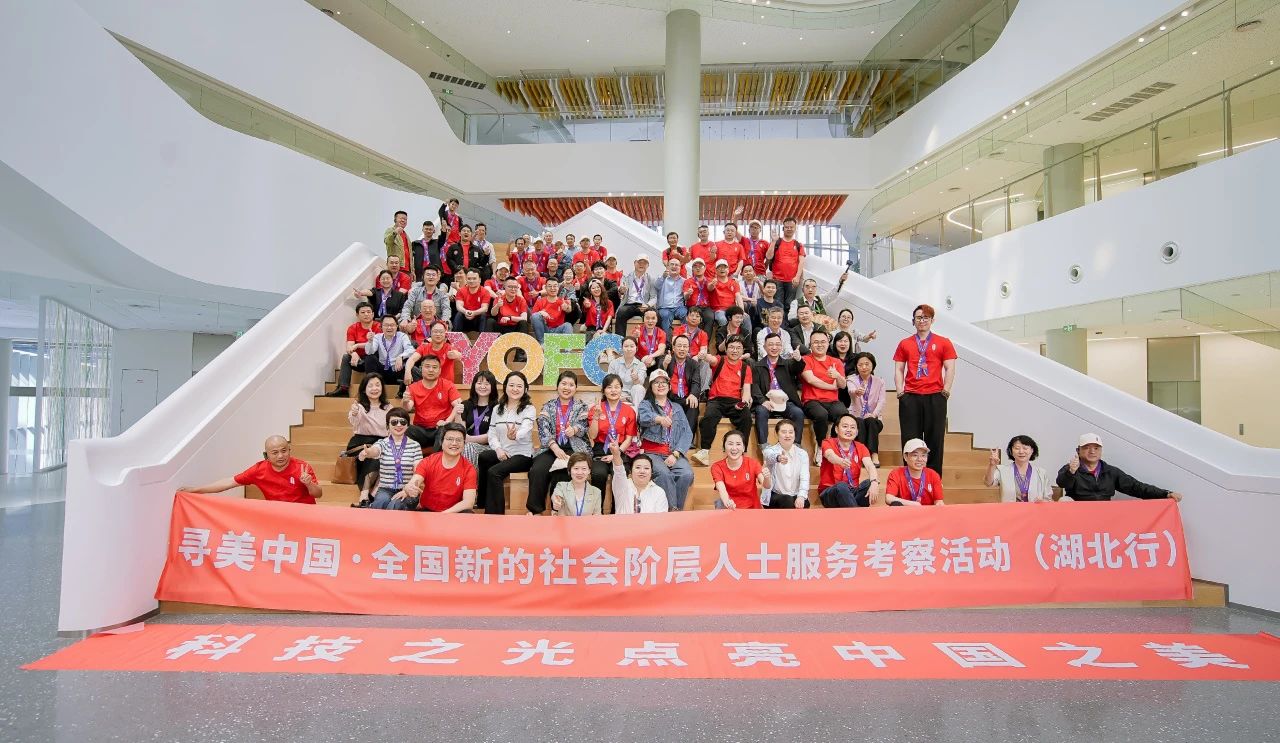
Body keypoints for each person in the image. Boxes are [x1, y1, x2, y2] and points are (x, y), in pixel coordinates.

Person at [894, 304, 957, 474]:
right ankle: (910, 478)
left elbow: (950, 368)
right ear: (913, 321)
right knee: (909, 441)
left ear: (932, 320)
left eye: (926, 317)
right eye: (919, 317)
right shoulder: (905, 343)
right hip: (910, 397)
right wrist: (900, 392)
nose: (922, 320)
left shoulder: (944, 342)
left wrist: (945, 391)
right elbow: (899, 369)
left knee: (935, 439)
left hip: (935, 396)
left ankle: (934, 479)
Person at [183, 436, 321, 504]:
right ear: (266, 455)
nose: (280, 456)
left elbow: (318, 494)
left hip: (304, 515)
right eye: (275, 452)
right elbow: (230, 482)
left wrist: (309, 484)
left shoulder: (302, 467)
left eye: (284, 451)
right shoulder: (259, 470)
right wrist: (196, 490)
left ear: (289, 450)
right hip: (278, 515)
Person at [527, 371, 592, 515]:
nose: (567, 387)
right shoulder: (548, 406)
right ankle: (535, 511)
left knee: (563, 470)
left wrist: (574, 429)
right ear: (557, 386)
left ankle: (558, 510)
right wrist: (554, 447)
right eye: (564, 384)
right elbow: (543, 427)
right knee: (537, 470)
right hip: (551, 447)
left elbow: (584, 424)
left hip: (574, 448)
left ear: (576, 388)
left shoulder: (581, 406)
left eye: (571, 384)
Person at [1056, 433, 1183, 502]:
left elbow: (1136, 487)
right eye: (1087, 448)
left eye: (1096, 448)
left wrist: (1166, 494)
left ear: (1101, 451)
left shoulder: (1110, 471)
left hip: (1105, 515)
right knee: (1064, 500)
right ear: (1078, 451)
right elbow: (1062, 482)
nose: (1092, 451)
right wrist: (1071, 471)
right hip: (1078, 516)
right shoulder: (1071, 468)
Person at [476, 371, 536, 515]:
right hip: (503, 452)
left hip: (522, 455)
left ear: (525, 389)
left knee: (494, 472)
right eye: (511, 385)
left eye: (519, 386)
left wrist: (515, 436)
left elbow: (526, 429)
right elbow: (492, 433)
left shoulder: (529, 409)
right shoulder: (497, 409)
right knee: (484, 457)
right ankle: (482, 503)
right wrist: (498, 450)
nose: (515, 389)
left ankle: (495, 515)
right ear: (505, 387)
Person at [635, 370, 692, 511]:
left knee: (686, 474)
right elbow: (644, 418)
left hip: (673, 452)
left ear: (669, 386)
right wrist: (660, 419)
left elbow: (687, 433)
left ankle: (676, 510)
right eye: (656, 382)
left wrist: (676, 454)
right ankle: (672, 510)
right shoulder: (645, 404)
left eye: (664, 382)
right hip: (652, 453)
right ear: (651, 386)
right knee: (664, 474)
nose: (660, 385)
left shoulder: (677, 408)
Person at [690, 337, 753, 466]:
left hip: (735, 401)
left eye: (738, 348)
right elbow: (711, 359)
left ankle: (742, 452)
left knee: (746, 417)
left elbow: (746, 391)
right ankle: (704, 451)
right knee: (709, 417)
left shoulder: (746, 368)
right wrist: (704, 355)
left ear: (743, 350)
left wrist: (743, 403)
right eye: (732, 347)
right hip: (716, 400)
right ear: (726, 349)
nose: (735, 351)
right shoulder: (720, 360)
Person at [391, 423, 477, 512]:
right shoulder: (429, 461)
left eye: (459, 440)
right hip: (428, 510)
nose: (454, 443)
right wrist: (409, 488)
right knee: (399, 502)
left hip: (453, 512)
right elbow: (415, 480)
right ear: (441, 441)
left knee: (468, 512)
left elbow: (468, 502)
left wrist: (443, 515)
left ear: (464, 443)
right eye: (450, 439)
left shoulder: (469, 469)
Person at [360, 407, 424, 509]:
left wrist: (408, 489)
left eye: (403, 422)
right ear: (387, 426)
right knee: (379, 504)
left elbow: (419, 470)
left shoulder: (415, 445)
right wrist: (368, 452)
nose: (399, 425)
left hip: (407, 489)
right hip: (386, 489)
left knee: (394, 505)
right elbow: (375, 450)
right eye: (394, 422)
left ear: (407, 425)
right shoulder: (382, 443)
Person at [587, 374, 636, 507]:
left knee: (620, 474)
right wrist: (596, 417)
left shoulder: (629, 411)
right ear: (603, 390)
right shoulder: (596, 408)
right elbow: (592, 436)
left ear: (621, 389)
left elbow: (629, 438)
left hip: (621, 450)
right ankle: (597, 511)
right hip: (600, 449)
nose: (613, 390)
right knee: (598, 474)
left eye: (617, 387)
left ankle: (617, 512)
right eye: (609, 387)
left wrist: (616, 454)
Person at [798, 328, 848, 455]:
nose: (819, 345)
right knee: (821, 415)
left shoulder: (836, 362)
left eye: (823, 342)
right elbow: (811, 380)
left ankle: (834, 446)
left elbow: (842, 385)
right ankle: (820, 446)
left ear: (828, 343)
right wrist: (832, 387)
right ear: (810, 344)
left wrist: (837, 376)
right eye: (816, 342)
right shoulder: (805, 360)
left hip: (832, 401)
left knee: (842, 414)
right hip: (811, 400)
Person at [752, 332, 805, 449]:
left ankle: (796, 445)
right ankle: (764, 446)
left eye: (777, 344)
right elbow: (754, 386)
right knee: (760, 412)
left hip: (785, 402)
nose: (774, 347)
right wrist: (763, 401)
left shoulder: (788, 363)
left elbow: (798, 368)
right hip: (767, 401)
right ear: (764, 347)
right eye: (771, 344)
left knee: (798, 413)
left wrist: (798, 359)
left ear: (781, 347)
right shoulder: (757, 366)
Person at [346, 374, 392, 503]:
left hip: (380, 444)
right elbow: (354, 422)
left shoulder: (388, 407)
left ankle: (369, 493)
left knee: (379, 454)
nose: (374, 388)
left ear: (382, 388)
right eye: (370, 386)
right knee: (374, 454)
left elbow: (392, 429)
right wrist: (354, 413)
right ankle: (368, 493)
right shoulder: (359, 407)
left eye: (377, 385)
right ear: (364, 389)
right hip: (360, 443)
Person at [818, 414, 879, 508]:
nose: (849, 430)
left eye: (853, 427)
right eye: (845, 426)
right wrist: (840, 461)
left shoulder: (861, 447)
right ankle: (856, 513)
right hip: (830, 491)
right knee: (841, 486)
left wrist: (874, 482)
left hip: (852, 491)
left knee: (869, 483)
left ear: (857, 432)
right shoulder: (828, 442)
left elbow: (870, 466)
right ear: (836, 429)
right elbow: (830, 456)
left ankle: (851, 508)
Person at [401, 354, 461, 450]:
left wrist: (447, 422)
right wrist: (405, 401)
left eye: (434, 367)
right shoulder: (413, 387)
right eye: (427, 366)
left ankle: (436, 458)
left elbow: (458, 405)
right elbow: (407, 408)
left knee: (445, 431)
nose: (431, 370)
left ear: (440, 370)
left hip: (440, 427)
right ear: (421, 369)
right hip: (420, 429)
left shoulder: (448, 385)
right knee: (405, 429)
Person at [326, 303, 378, 397]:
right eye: (363, 312)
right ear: (357, 315)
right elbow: (349, 347)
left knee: (371, 357)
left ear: (373, 314)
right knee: (346, 357)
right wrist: (353, 353)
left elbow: (377, 345)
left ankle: (369, 388)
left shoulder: (378, 326)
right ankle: (343, 389)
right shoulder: (353, 328)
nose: (366, 314)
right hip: (358, 360)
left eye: (368, 312)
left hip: (375, 361)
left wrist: (357, 346)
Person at [986, 434, 1055, 503]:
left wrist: (1043, 501)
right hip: (1010, 509)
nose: (1021, 451)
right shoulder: (1003, 470)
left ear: (1032, 450)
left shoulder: (1041, 473)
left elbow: (1049, 499)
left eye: (1025, 448)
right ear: (1011, 451)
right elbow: (988, 483)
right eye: (1017, 448)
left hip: (1035, 509)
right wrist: (992, 465)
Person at [711, 430, 770, 510]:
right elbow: (722, 490)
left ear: (743, 448)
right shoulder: (717, 467)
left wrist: (767, 477)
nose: (734, 448)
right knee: (719, 504)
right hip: (730, 507)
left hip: (752, 509)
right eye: (730, 444)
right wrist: (728, 502)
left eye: (738, 444)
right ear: (724, 447)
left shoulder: (753, 463)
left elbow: (766, 485)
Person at [610, 439, 669, 514]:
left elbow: (661, 518)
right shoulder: (623, 486)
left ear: (651, 472)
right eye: (638, 467)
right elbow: (619, 472)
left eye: (646, 468)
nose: (642, 471)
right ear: (631, 471)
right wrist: (616, 455)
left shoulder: (659, 492)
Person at [761, 419, 810, 509]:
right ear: (777, 434)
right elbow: (769, 456)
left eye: (791, 432)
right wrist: (778, 458)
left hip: (795, 495)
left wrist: (801, 496)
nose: (787, 435)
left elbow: (805, 477)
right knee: (787, 500)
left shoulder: (802, 453)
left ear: (795, 434)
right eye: (784, 432)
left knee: (804, 503)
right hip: (776, 496)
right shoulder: (770, 450)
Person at [847, 351, 885, 466]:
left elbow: (881, 401)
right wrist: (856, 391)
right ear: (856, 366)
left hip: (874, 419)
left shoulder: (880, 381)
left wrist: (873, 414)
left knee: (871, 421)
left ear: (873, 365)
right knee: (859, 421)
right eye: (860, 365)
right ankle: (861, 455)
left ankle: (874, 455)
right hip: (856, 417)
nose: (864, 367)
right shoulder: (851, 379)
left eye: (867, 364)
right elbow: (851, 390)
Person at [662, 334, 705, 436]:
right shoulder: (667, 360)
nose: (682, 349)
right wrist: (664, 365)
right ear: (673, 348)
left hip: (686, 397)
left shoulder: (694, 364)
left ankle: (687, 438)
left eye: (685, 346)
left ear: (689, 348)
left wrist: (693, 394)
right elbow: (658, 377)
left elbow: (696, 382)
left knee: (693, 404)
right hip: (670, 398)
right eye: (679, 346)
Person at [764, 216, 806, 321]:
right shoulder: (777, 242)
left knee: (789, 304)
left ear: (795, 228)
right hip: (777, 279)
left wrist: (797, 277)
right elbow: (768, 256)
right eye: (787, 227)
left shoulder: (798, 245)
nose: (789, 229)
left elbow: (801, 262)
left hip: (792, 280)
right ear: (783, 228)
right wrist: (773, 241)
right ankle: (778, 324)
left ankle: (786, 325)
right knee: (778, 303)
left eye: (791, 227)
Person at [363, 315, 414, 395]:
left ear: (397, 326)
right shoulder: (377, 337)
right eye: (386, 325)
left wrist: (401, 356)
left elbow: (411, 350)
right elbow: (369, 352)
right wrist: (370, 341)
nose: (389, 328)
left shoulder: (402, 336)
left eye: (392, 325)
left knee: (410, 365)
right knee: (370, 358)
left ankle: (403, 392)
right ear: (381, 327)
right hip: (382, 370)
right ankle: (371, 386)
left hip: (397, 369)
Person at [884, 438, 945, 506]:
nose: (920, 459)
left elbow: (939, 501)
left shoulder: (933, 475)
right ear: (905, 457)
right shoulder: (896, 474)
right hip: (904, 511)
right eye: (915, 455)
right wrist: (914, 504)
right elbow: (889, 498)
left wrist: (939, 505)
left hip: (927, 512)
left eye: (923, 455)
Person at [404, 320, 462, 384]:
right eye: (435, 331)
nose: (438, 334)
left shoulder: (449, 347)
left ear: (445, 334)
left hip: (445, 384)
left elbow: (459, 355)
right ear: (430, 333)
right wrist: (407, 372)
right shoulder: (424, 347)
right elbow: (412, 359)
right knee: (410, 369)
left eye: (441, 332)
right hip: (428, 382)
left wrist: (456, 355)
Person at [460, 371, 496, 471]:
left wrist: (469, 439)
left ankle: (471, 479)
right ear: (474, 385)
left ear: (492, 386)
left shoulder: (497, 407)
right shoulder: (465, 404)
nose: (482, 386)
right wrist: (458, 414)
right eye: (479, 383)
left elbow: (491, 436)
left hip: (488, 447)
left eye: (487, 384)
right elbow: (461, 431)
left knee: (469, 447)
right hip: (466, 444)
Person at [398, 265, 451, 332]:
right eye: (428, 275)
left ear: (438, 278)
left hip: (436, 325)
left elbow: (446, 309)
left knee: (447, 324)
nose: (431, 277)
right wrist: (405, 319)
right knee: (403, 323)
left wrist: (444, 322)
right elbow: (407, 306)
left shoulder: (443, 295)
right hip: (416, 324)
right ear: (423, 277)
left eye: (433, 275)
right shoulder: (415, 292)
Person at [551, 452, 603, 517]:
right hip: (566, 523)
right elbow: (556, 498)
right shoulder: (561, 486)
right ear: (569, 470)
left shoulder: (596, 492)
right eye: (576, 468)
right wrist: (556, 503)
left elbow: (597, 516)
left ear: (589, 471)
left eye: (584, 469)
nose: (579, 472)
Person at [615, 255, 657, 334]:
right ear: (634, 263)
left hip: (644, 305)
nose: (641, 265)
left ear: (648, 265)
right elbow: (621, 291)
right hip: (629, 304)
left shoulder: (651, 279)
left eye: (644, 263)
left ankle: (654, 339)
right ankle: (620, 340)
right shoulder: (626, 277)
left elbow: (654, 297)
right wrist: (621, 291)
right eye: (639, 262)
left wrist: (648, 305)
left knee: (656, 314)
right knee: (621, 312)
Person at [607, 336, 649, 406]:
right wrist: (618, 396)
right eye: (626, 346)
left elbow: (640, 384)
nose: (629, 349)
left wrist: (636, 378)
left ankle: (637, 412)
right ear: (622, 348)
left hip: (633, 397)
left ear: (636, 348)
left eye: (632, 346)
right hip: (617, 394)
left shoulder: (641, 365)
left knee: (639, 388)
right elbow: (610, 382)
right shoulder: (614, 363)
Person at [530, 277, 573, 342]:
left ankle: (566, 347)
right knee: (536, 315)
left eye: (555, 286)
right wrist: (540, 313)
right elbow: (533, 317)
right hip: (544, 331)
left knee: (568, 325)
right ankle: (542, 343)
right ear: (546, 288)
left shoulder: (563, 301)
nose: (552, 288)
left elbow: (569, 309)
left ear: (558, 288)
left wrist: (567, 308)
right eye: (550, 286)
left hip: (558, 330)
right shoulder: (540, 301)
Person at [451, 269, 492, 333]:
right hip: (465, 316)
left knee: (483, 315)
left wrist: (474, 313)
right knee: (459, 314)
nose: (471, 281)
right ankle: (456, 336)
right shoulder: (461, 291)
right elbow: (459, 306)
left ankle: (482, 337)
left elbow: (484, 308)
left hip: (478, 317)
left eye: (474, 278)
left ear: (480, 280)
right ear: (466, 279)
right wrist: (466, 311)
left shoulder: (485, 292)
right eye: (469, 279)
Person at [707, 259, 742, 332]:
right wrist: (712, 284)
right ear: (716, 270)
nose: (722, 269)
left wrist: (742, 311)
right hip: (719, 310)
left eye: (724, 267)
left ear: (728, 270)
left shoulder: (733, 282)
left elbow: (738, 297)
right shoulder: (712, 281)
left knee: (746, 318)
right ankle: (727, 337)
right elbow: (709, 288)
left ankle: (746, 338)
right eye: (719, 267)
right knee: (722, 319)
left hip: (732, 309)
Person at [655, 257, 688, 333]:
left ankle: (685, 337)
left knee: (685, 313)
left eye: (676, 265)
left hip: (679, 307)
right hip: (664, 308)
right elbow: (656, 286)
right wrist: (663, 277)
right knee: (665, 315)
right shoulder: (662, 278)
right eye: (672, 264)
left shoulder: (684, 281)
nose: (674, 266)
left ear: (680, 268)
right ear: (667, 267)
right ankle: (667, 339)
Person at [682, 256, 714, 331]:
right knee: (695, 318)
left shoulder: (709, 280)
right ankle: (694, 337)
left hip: (705, 307)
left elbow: (710, 288)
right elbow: (685, 297)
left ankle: (705, 338)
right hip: (693, 306)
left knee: (710, 317)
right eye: (695, 266)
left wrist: (712, 285)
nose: (698, 268)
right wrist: (688, 293)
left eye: (700, 266)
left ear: (705, 268)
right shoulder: (688, 281)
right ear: (692, 269)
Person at [831, 331, 858, 408]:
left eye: (846, 341)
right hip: (834, 390)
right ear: (835, 343)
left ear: (850, 343)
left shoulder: (856, 357)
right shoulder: (828, 357)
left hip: (851, 390)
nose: (843, 344)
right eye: (840, 341)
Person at [384, 210, 413, 279]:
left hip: (407, 271)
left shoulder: (406, 235)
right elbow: (387, 241)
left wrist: (412, 271)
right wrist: (395, 233)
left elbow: (410, 254)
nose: (403, 220)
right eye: (401, 218)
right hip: (396, 268)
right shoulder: (390, 230)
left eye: (405, 219)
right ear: (395, 220)